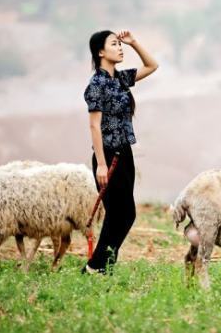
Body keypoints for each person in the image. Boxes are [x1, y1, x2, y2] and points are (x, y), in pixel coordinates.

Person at [82, 29, 158, 274]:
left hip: (124, 153)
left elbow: (152, 65)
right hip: (108, 155)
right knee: (120, 214)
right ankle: (96, 267)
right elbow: (94, 125)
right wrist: (101, 164)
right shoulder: (97, 84)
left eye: (120, 44)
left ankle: (102, 266)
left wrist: (134, 42)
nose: (120, 47)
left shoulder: (120, 79)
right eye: (114, 44)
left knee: (125, 214)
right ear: (101, 52)